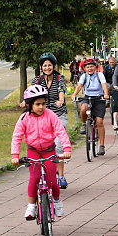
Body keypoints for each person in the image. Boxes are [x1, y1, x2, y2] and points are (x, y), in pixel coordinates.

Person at [11, 85, 71, 220]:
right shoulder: (24, 118)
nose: (41, 107)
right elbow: (17, 136)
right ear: (29, 105)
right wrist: (15, 156)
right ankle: (31, 205)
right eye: (37, 104)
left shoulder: (51, 115)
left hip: (49, 150)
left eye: (43, 104)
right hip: (33, 151)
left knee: (52, 181)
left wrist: (66, 149)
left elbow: (61, 132)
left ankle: (57, 202)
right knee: (34, 178)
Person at [28, 53, 69, 189]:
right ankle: (46, 173)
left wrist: (61, 100)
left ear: (53, 66)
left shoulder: (59, 78)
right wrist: (24, 102)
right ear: (41, 67)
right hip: (43, 117)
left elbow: (61, 90)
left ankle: (61, 175)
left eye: (49, 65)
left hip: (58, 115)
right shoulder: (37, 80)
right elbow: (31, 94)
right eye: (45, 65)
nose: (47, 68)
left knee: (57, 145)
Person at [71, 58, 110, 155]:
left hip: (99, 98)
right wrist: (74, 94)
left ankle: (101, 146)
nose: (90, 69)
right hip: (88, 97)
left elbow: (104, 85)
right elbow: (79, 86)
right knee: (83, 108)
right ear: (85, 68)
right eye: (87, 67)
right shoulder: (84, 76)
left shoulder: (99, 75)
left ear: (95, 67)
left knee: (99, 122)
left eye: (92, 66)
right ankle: (84, 124)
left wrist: (106, 94)